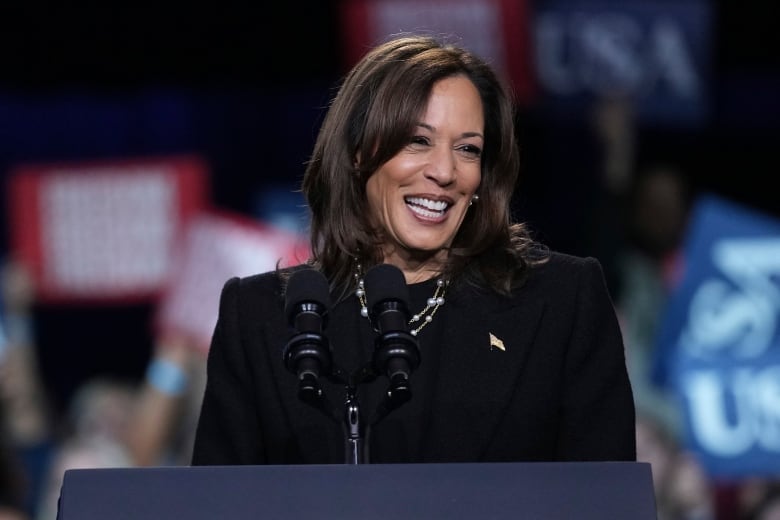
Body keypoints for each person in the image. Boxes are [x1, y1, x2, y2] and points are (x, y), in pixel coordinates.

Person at [191, 34, 636, 465]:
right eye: (418, 140)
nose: (444, 172)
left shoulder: (560, 302)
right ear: (359, 152)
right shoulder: (262, 318)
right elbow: (220, 503)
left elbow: (604, 499)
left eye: (467, 149)